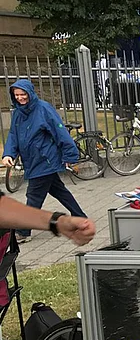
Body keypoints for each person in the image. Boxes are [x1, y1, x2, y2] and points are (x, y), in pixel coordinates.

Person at [2, 80, 88, 243]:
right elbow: (13, 135)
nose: (20, 98)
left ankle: (23, 231)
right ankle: (80, 217)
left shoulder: (43, 108)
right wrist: (8, 154)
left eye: (23, 94)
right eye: (17, 95)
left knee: (33, 196)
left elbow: (60, 131)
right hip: (32, 161)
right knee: (59, 190)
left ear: (30, 93)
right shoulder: (18, 113)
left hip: (45, 160)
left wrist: (70, 155)